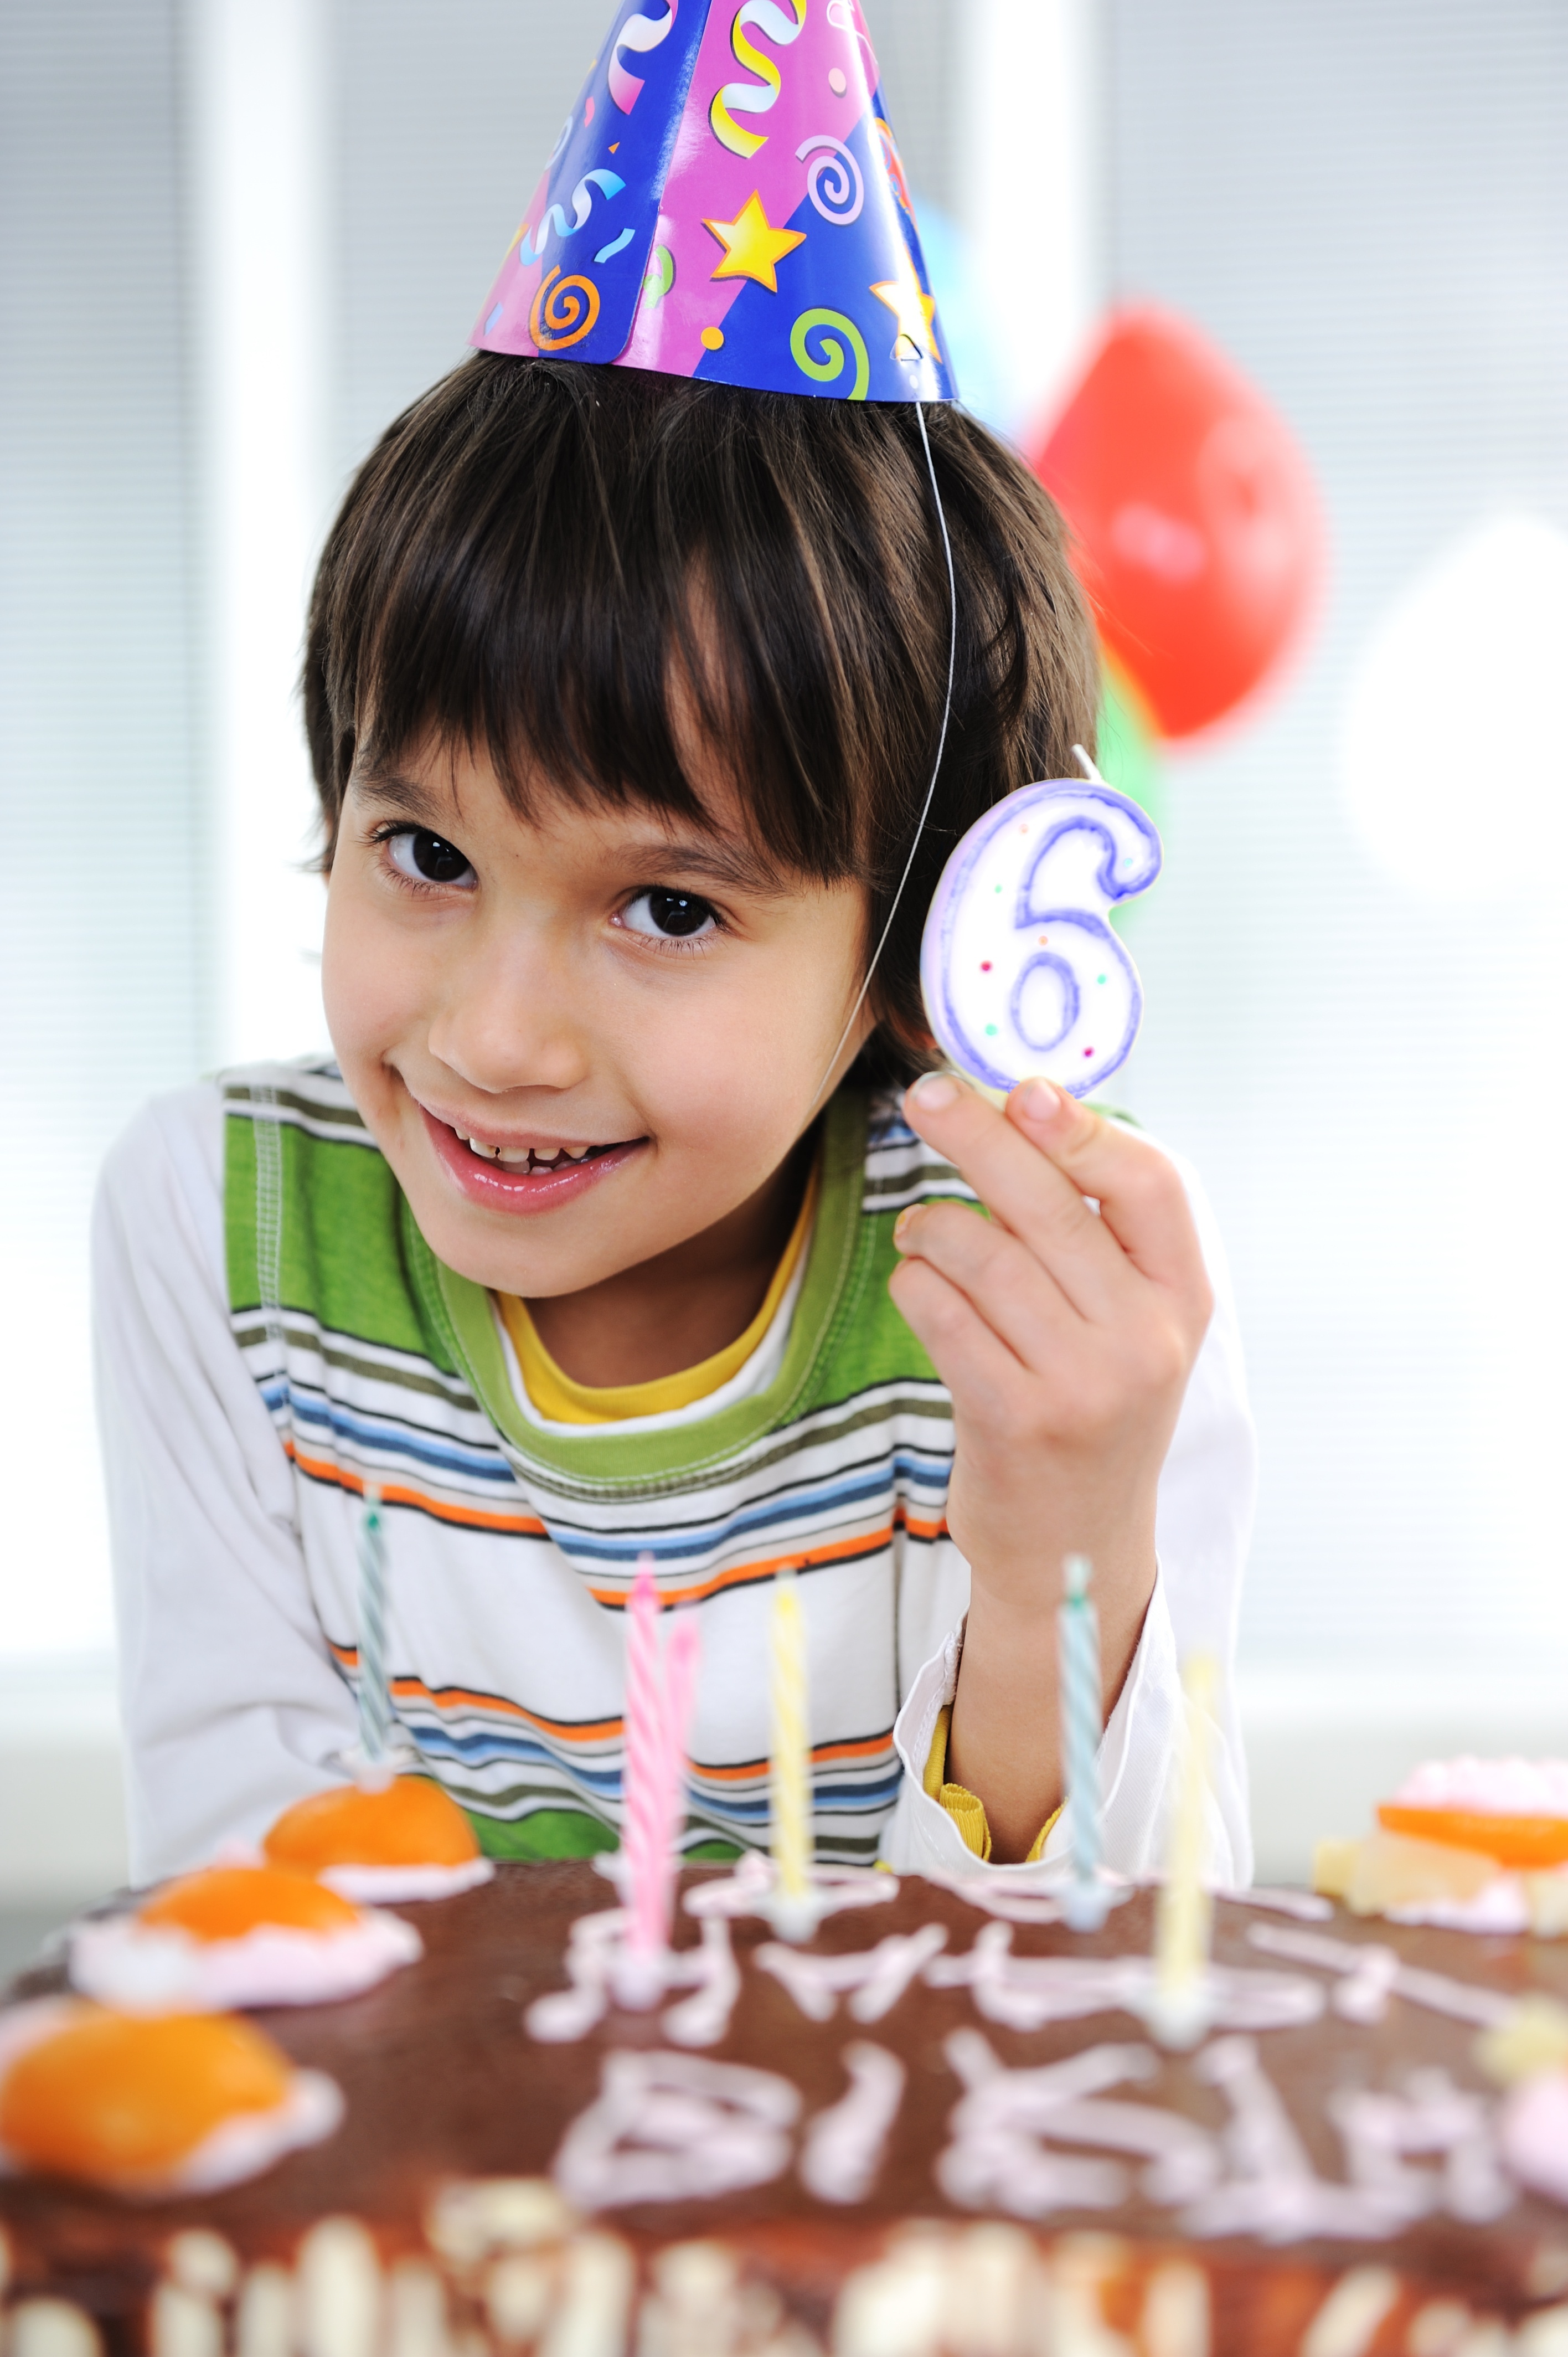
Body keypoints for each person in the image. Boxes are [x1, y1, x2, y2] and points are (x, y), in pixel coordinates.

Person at [93, 9, 1255, 1892]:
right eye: (425, 851)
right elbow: (250, 1925)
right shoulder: (217, 1234)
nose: (497, 1036)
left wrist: (1055, 1524)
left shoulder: (1066, 1320)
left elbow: (1098, 2016)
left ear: (916, 947)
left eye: (668, 907)